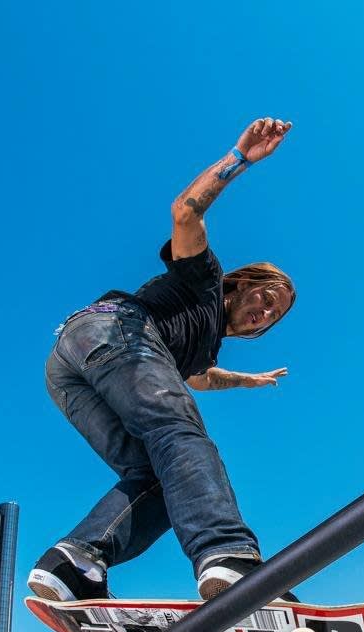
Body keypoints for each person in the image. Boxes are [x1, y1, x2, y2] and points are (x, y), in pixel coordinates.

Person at [27, 117, 297, 605]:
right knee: (182, 438)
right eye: (265, 297)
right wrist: (238, 159)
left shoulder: (203, 343)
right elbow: (184, 214)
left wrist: (246, 381)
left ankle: (75, 563)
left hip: (71, 372)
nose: (263, 313)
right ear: (244, 283)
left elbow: (199, 377)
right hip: (115, 330)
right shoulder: (205, 279)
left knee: (158, 475)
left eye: (272, 317)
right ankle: (227, 554)